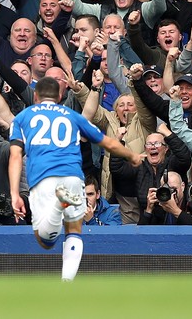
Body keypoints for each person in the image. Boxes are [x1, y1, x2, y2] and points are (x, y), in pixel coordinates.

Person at [9, 77, 142, 281]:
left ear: (35, 96)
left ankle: (57, 206)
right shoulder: (72, 116)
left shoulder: (22, 117)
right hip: (73, 177)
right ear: (60, 96)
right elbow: (108, 142)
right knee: (74, 231)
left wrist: (14, 193)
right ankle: (67, 283)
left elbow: (16, 155)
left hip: (43, 179)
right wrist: (131, 155)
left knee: (45, 241)